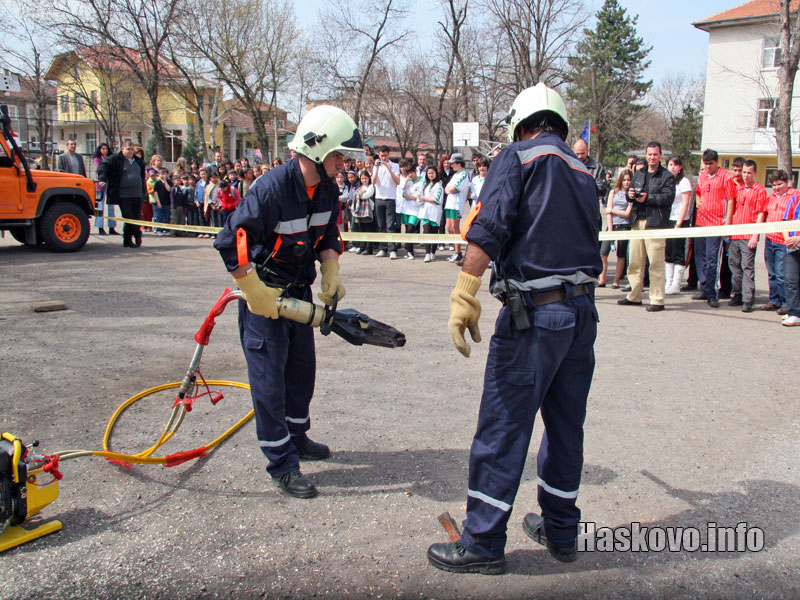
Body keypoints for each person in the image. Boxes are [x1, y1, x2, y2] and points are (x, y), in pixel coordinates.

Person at [427, 83, 601, 574]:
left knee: (503, 424)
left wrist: (465, 291)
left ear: (520, 125)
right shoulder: (583, 171)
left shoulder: (517, 157)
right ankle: (560, 530)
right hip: (581, 316)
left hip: (535, 317)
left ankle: (482, 541)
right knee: (565, 427)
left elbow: (489, 226)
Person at [214, 105, 365, 499]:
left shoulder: (327, 189)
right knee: (269, 384)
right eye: (338, 155)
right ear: (317, 149)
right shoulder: (272, 189)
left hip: (298, 294)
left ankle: (297, 438)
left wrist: (330, 269)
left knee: (301, 373)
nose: (343, 163)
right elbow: (231, 239)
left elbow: (327, 234)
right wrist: (252, 289)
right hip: (265, 298)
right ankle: (281, 464)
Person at [617, 141, 675, 312]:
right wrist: (631, 195)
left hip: (656, 223)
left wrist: (647, 198)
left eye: (655, 154)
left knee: (655, 264)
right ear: (646, 155)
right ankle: (634, 295)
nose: (652, 157)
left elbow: (667, 198)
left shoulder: (667, 176)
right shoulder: (639, 174)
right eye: (649, 154)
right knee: (634, 262)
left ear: (660, 155)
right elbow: (629, 194)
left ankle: (657, 300)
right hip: (637, 222)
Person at [693, 149, 737, 307]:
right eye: (705, 164)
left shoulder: (726, 177)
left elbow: (731, 199)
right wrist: (698, 200)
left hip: (716, 223)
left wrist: (728, 221)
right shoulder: (703, 176)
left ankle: (712, 293)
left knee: (712, 259)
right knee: (700, 257)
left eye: (710, 164)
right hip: (701, 222)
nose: (707, 167)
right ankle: (704, 288)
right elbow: (698, 191)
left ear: (717, 162)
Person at [725, 160, 767, 312]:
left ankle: (748, 299)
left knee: (747, 267)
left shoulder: (760, 190)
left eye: (749, 173)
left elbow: (761, 214)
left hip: (749, 235)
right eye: (744, 172)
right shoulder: (738, 189)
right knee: (734, 267)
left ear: (755, 173)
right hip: (735, 234)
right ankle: (737, 294)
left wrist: (755, 235)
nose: (746, 175)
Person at [96, 140, 146, 248]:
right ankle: (137, 234)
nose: (130, 151)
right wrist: (102, 178)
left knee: (136, 217)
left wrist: (143, 190)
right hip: (124, 195)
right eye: (128, 149)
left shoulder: (138, 161)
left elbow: (142, 176)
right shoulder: (115, 159)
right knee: (128, 217)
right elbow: (103, 167)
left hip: (137, 194)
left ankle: (127, 241)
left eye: (132, 149)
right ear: (122, 149)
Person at [762, 170, 797, 313]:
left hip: (784, 242)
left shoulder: (794, 196)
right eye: (774, 185)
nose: (776, 187)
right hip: (770, 239)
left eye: (780, 184)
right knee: (772, 273)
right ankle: (774, 300)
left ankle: (786, 302)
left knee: (782, 274)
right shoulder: (770, 198)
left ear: (787, 182)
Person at [664, 155, 693, 295]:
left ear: (680, 167)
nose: (672, 167)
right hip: (668, 219)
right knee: (668, 252)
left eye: (675, 165)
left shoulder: (684, 182)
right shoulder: (667, 181)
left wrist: (679, 223)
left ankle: (676, 284)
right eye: (670, 164)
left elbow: (685, 203)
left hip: (680, 220)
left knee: (678, 252)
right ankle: (668, 282)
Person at [601, 170, 634, 288]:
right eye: (624, 180)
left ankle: (616, 280)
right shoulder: (613, 192)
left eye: (629, 180)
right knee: (603, 253)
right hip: (612, 225)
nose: (626, 182)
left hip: (624, 226)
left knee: (621, 255)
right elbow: (608, 210)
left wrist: (613, 210)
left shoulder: (631, 195)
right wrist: (610, 227)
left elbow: (627, 213)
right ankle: (602, 278)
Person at [371, 145, 401, 259]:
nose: (383, 158)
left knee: (390, 226)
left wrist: (390, 170)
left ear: (389, 154)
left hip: (390, 199)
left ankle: (392, 249)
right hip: (379, 198)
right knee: (381, 225)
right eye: (381, 156)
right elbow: (373, 182)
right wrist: (377, 167)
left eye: (385, 155)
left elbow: (398, 181)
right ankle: (382, 248)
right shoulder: (376, 166)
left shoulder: (395, 166)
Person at [444, 153, 470, 263]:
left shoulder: (464, 174)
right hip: (449, 204)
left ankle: (458, 252)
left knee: (455, 227)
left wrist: (450, 189)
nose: (451, 165)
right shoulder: (455, 175)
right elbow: (446, 189)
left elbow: (453, 189)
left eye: (453, 163)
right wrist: (449, 189)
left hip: (457, 205)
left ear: (459, 163)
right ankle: (456, 251)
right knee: (449, 227)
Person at [780, 194, 800, 326]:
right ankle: (794, 312)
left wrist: (798, 238)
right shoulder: (795, 199)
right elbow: (785, 222)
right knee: (790, 280)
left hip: (797, 241)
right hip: (792, 248)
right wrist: (787, 238)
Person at [418, 165, 444, 262]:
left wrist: (425, 198)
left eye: (432, 173)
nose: (430, 175)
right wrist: (420, 199)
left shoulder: (439, 185)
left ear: (436, 173)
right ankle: (427, 253)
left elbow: (437, 200)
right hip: (425, 212)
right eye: (429, 173)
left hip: (435, 213)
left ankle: (433, 252)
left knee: (434, 232)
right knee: (427, 231)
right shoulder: (426, 185)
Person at [92, 142, 118, 235]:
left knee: (111, 205)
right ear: (100, 150)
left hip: (110, 183)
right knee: (100, 206)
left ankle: (112, 227)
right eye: (103, 149)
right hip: (101, 183)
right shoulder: (97, 158)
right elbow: (99, 169)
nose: (105, 150)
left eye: (106, 149)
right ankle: (100, 227)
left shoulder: (111, 158)